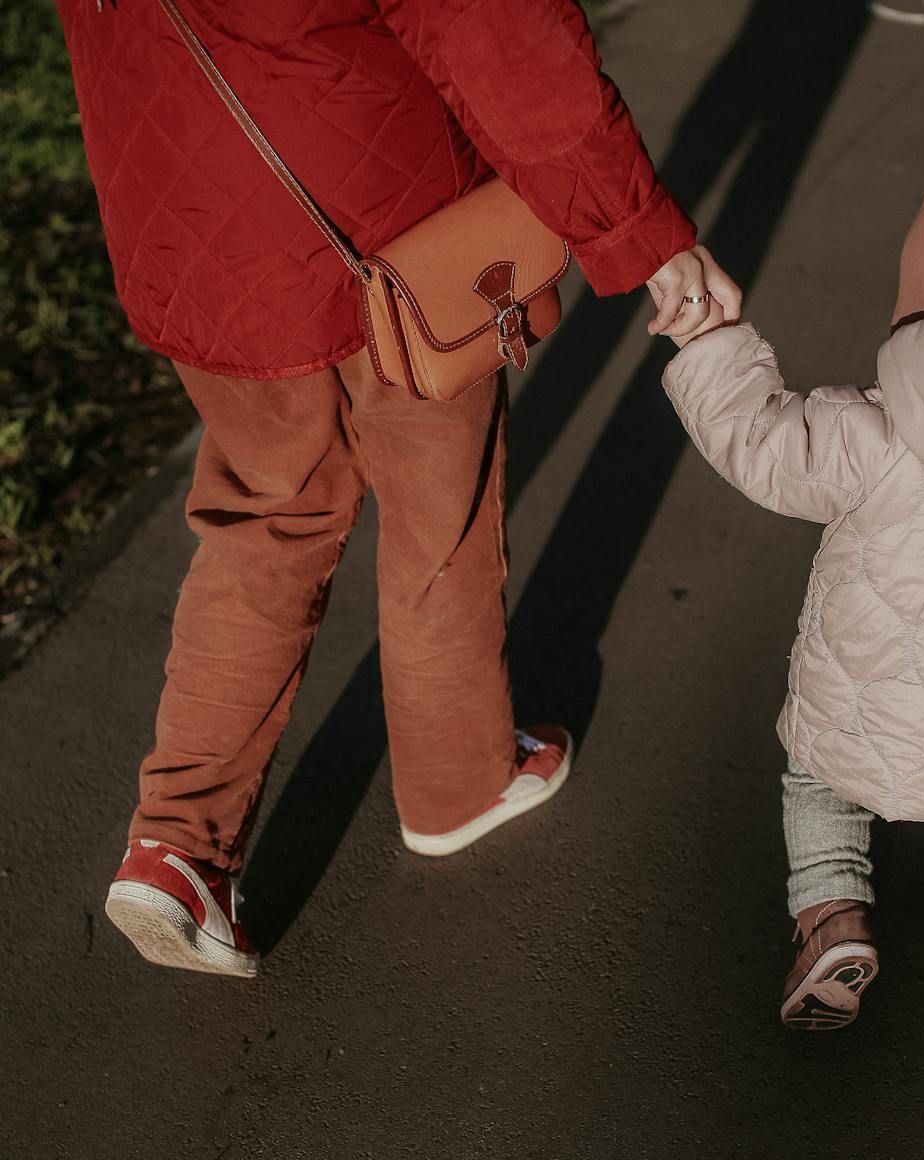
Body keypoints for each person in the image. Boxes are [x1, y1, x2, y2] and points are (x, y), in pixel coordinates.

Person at [55, 0, 741, 978]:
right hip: (391, 230)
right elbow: (497, 34)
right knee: (439, 509)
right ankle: (457, 785)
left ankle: (175, 848)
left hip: (194, 245)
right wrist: (637, 228)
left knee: (263, 521)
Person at [659, 116, 924, 1030]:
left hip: (862, 698)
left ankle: (831, 916)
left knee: (819, 778)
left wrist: (712, 343)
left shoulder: (876, 430)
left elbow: (760, 442)